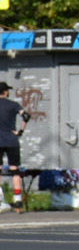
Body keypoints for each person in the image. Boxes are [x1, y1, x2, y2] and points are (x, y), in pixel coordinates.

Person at [0, 82, 29, 211]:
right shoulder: (13, 105)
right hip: (12, 140)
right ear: (5, 92)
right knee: (14, 170)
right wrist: (20, 132)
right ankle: (17, 202)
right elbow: (26, 116)